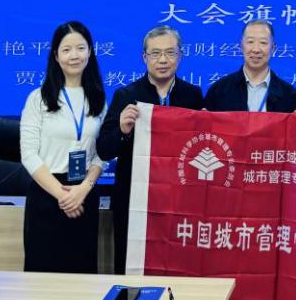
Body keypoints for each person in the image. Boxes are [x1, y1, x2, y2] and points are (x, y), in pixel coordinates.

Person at [97, 25, 204, 274]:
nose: (163, 60)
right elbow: (104, 149)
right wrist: (122, 129)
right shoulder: (127, 95)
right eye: (155, 53)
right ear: (144, 57)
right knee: (131, 268)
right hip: (135, 200)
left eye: (170, 52)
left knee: (178, 265)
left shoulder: (193, 96)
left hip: (180, 201)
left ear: (180, 55)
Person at [19, 21, 107, 273]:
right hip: (47, 196)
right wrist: (63, 195)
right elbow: (29, 155)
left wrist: (83, 189)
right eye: (66, 49)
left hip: (84, 195)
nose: (74, 55)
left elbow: (102, 154)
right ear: (56, 56)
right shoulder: (38, 98)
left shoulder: (98, 99)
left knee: (81, 276)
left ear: (90, 52)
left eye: (80, 48)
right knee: (42, 277)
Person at [204, 20, 296, 113]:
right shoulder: (218, 91)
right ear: (241, 46)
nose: (256, 49)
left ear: (273, 48)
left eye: (263, 43)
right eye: (250, 42)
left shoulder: (290, 96)